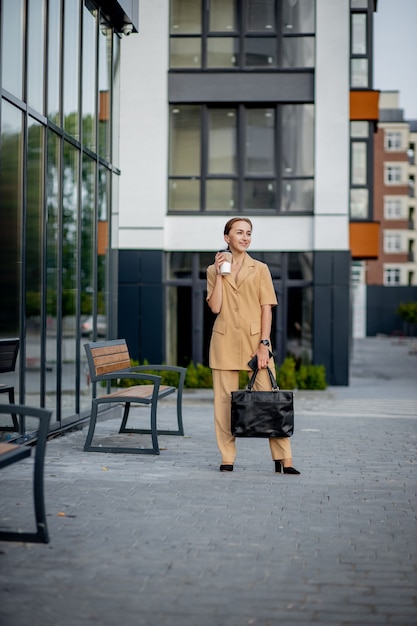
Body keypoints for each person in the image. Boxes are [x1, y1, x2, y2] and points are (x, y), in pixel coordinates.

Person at [206, 217, 300, 475]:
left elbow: (266, 308)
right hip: (224, 342)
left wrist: (264, 344)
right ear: (227, 238)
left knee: (271, 398)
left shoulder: (260, 268)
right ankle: (227, 457)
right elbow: (215, 307)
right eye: (239, 232)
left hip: (255, 343)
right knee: (224, 405)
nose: (245, 237)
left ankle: (284, 458)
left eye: (249, 233)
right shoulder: (213, 270)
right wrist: (220, 273)